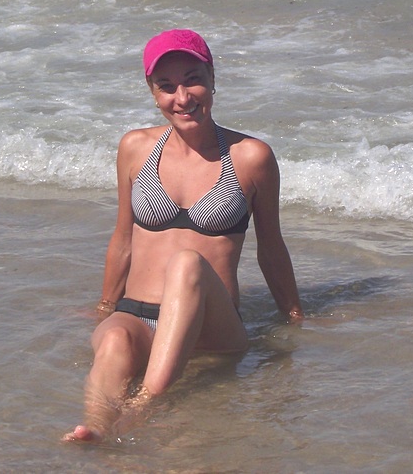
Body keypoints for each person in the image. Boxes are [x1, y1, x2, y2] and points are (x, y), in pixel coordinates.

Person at [64, 29, 303, 442]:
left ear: (212, 79)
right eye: (167, 86)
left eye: (193, 80)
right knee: (115, 339)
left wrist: (294, 315)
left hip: (212, 326)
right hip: (136, 314)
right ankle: (96, 429)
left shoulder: (251, 157)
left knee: (188, 263)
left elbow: (271, 246)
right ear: (153, 92)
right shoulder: (135, 148)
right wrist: (105, 306)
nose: (182, 97)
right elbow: (123, 237)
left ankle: (143, 405)